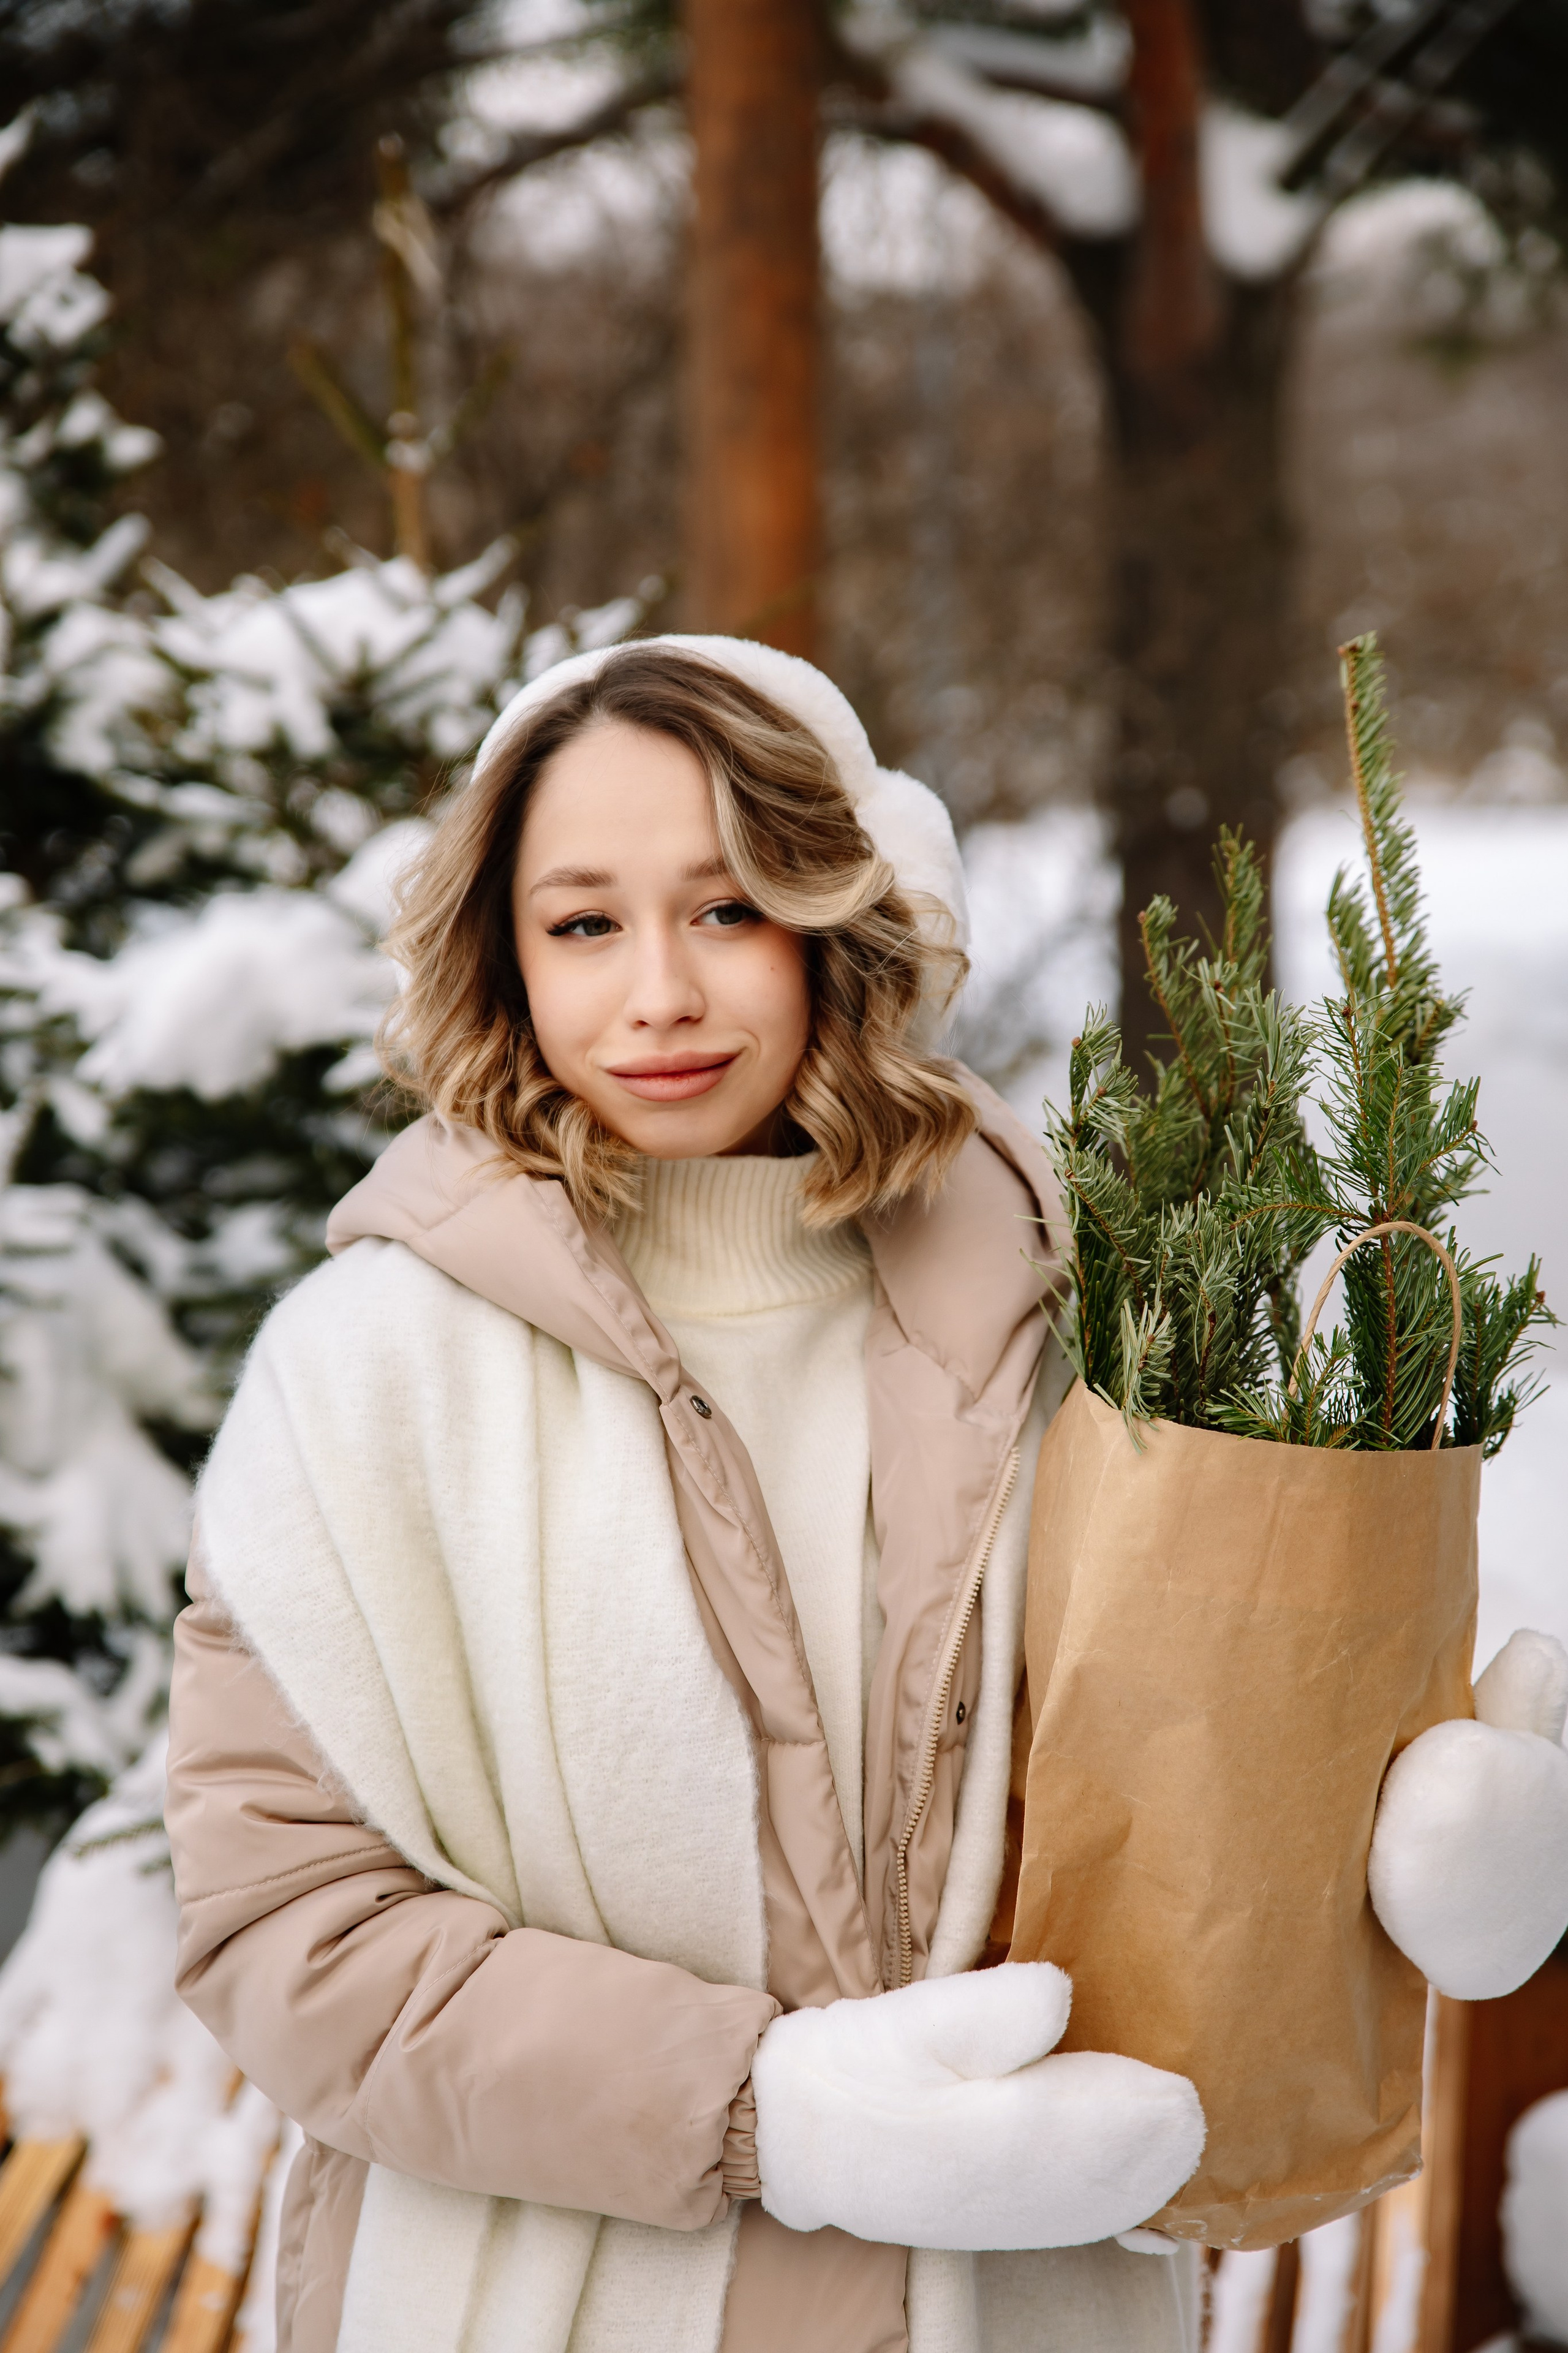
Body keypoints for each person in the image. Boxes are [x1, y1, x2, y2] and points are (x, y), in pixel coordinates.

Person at [164, 638, 1565, 2353]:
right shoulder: (363, 1380)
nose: (660, 993)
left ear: (843, 914)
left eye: (732, 906)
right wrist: (768, 2109)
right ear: (502, 957)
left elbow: (1184, 1796)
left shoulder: (1096, 1325)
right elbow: (290, 1936)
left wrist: (1411, 1861)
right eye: (585, 923)